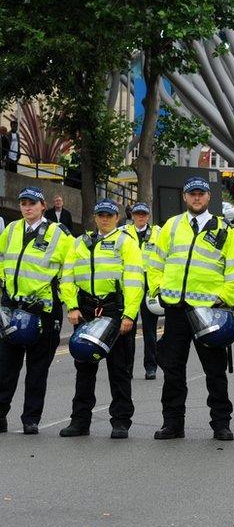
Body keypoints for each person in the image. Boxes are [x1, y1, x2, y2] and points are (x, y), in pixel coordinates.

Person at [147, 177, 234, 441]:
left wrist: (224, 298)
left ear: (208, 198)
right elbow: (155, 260)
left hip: (208, 312)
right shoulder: (171, 225)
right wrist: (157, 288)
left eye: (201, 194)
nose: (197, 198)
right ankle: (172, 423)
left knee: (215, 370)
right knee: (173, 369)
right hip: (176, 310)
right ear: (184, 197)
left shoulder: (224, 230)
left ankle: (221, 424)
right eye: (192, 194)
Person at [58, 200, 143, 439]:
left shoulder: (126, 242)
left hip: (115, 311)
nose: (104, 219)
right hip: (85, 311)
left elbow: (136, 280)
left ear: (117, 217)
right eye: (100, 215)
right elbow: (67, 276)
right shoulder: (80, 243)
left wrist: (129, 314)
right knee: (84, 368)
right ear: (95, 218)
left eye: (109, 215)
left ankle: (121, 422)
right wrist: (72, 306)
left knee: (119, 370)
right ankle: (80, 421)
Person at [0, 187, 73, 434]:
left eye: (32, 203)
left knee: (37, 369)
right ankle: (0, 415)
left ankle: (30, 419)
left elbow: (70, 270)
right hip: (11, 307)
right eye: (23, 203)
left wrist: (65, 300)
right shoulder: (10, 230)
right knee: (5, 367)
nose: (27, 207)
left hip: (43, 310)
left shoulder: (59, 233)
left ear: (43, 206)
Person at [122, 202, 162, 380]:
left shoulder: (157, 233)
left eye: (144, 214)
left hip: (149, 285)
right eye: (137, 214)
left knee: (150, 330)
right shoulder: (122, 232)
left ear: (148, 216)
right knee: (127, 328)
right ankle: (127, 368)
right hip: (129, 283)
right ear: (132, 215)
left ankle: (151, 366)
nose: (140, 217)